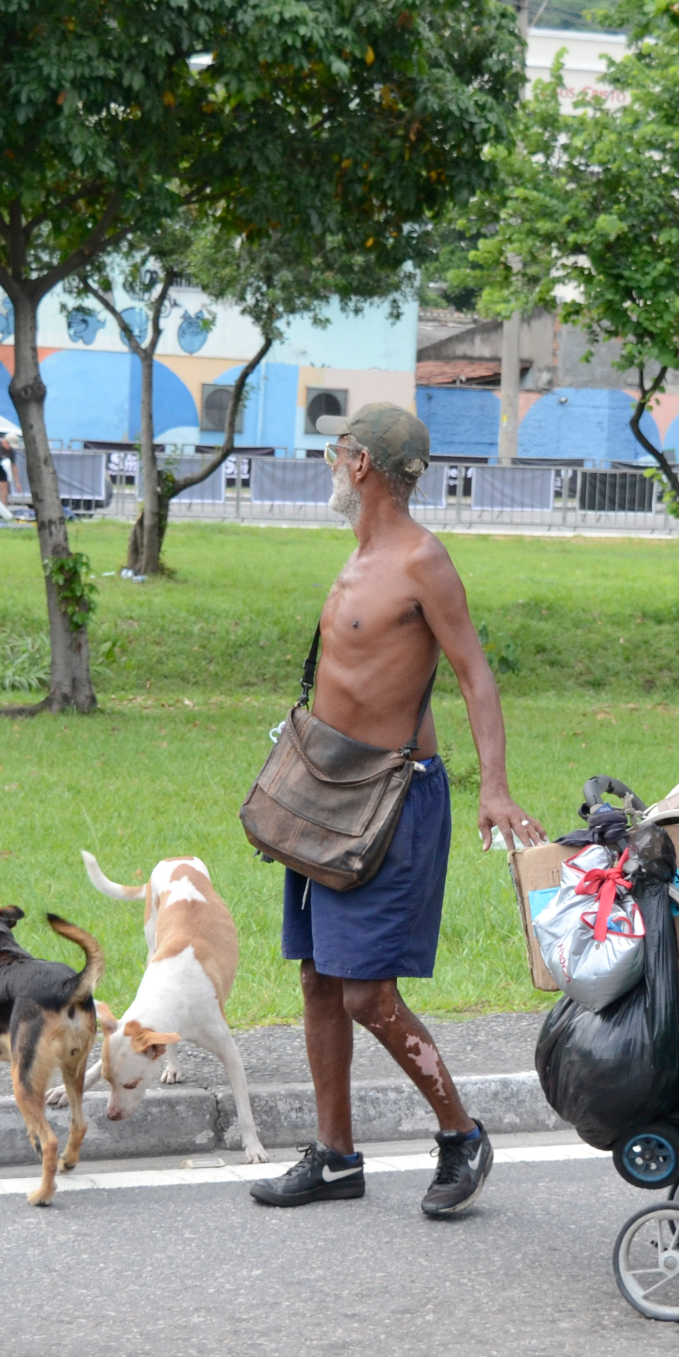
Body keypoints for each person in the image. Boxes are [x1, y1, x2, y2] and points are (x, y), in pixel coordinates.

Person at [250, 404, 547, 1217]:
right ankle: (337, 1156)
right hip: (325, 793)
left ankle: (462, 1133)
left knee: (365, 995)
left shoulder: (422, 560)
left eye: (337, 453)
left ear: (363, 465)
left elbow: (475, 675)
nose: (331, 464)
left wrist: (493, 784)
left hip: (391, 801)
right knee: (318, 979)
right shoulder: (359, 555)